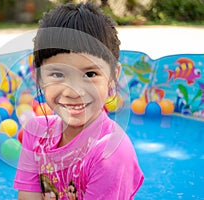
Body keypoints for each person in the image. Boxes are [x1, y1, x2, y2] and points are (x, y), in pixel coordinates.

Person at [14, 2, 144, 200]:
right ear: (39, 78)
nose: (74, 92)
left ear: (112, 78)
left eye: (90, 74)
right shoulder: (35, 134)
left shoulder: (111, 154)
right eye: (58, 74)